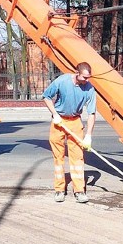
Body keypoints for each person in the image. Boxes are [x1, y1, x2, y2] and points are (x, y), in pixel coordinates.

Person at [42, 62, 96, 203]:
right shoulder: (62, 81)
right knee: (58, 157)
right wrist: (55, 114)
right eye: (84, 77)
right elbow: (46, 97)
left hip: (75, 121)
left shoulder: (89, 89)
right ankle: (59, 190)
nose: (87, 80)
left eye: (88, 77)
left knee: (77, 158)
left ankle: (79, 191)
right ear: (77, 73)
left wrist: (89, 135)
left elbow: (91, 113)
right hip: (59, 121)